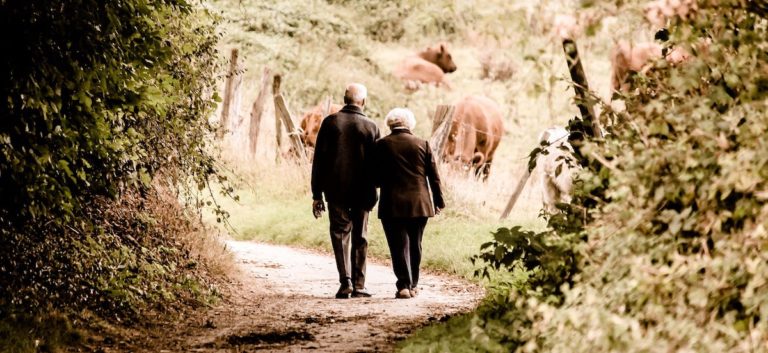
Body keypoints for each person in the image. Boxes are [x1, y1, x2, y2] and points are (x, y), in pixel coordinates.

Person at [311, 83, 381, 299]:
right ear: (364, 102)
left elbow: (319, 161)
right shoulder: (371, 126)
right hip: (363, 191)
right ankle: (360, 285)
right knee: (360, 236)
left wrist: (317, 194)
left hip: (336, 190)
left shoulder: (330, 123)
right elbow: (377, 164)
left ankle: (346, 282)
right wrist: (376, 188)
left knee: (340, 234)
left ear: (344, 99)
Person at [374, 108, 445, 299]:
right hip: (420, 203)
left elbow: (374, 177)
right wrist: (438, 201)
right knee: (416, 243)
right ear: (409, 124)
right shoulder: (423, 144)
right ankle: (414, 284)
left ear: (390, 124)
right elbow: (434, 177)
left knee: (397, 245)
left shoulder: (380, 145)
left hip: (392, 203)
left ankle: (403, 286)